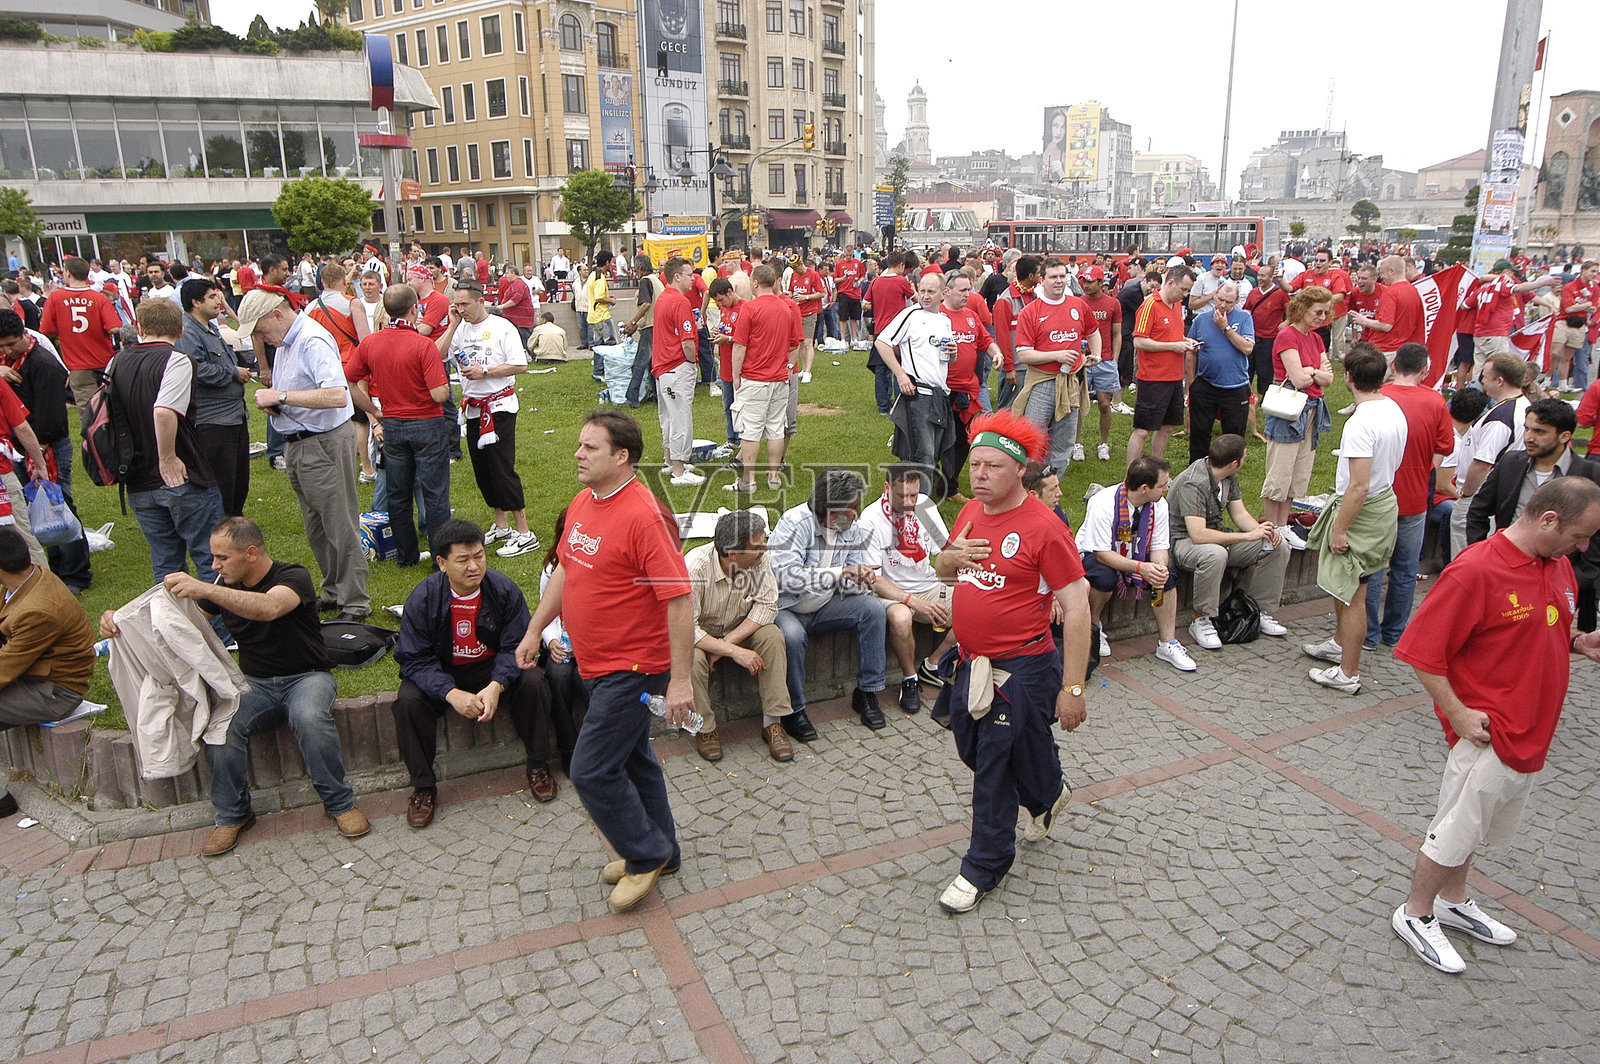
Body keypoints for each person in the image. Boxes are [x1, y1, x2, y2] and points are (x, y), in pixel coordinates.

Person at [1389, 477, 1600, 973]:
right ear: (1548, 520)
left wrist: (1576, 643)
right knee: (1455, 827)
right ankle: (1416, 912)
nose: (1586, 546)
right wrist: (1458, 713)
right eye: (1581, 535)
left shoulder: (1557, 563)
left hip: (1531, 731)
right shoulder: (1477, 570)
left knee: (1476, 826)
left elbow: (1544, 625)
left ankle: (1453, 900)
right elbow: (1421, 652)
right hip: (1491, 732)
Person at [514, 411, 693, 913]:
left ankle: (645, 853)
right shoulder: (583, 502)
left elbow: (679, 599)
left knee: (591, 769)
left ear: (622, 456)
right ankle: (666, 851)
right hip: (596, 663)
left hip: (636, 668)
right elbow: (566, 572)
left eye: (590, 448)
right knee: (633, 758)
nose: (578, 454)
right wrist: (533, 630)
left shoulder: (645, 516)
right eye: (579, 444)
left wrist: (680, 682)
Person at [110, 517, 370, 856]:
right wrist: (119, 621)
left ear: (250, 553)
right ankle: (233, 815)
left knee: (310, 719)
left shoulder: (293, 576)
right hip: (255, 686)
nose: (213, 565)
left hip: (308, 677)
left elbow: (269, 608)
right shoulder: (221, 585)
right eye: (213, 558)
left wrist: (204, 588)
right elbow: (177, 627)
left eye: (221, 558)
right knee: (219, 729)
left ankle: (339, 803)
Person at [931, 409, 1090, 913]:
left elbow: (1079, 605)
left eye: (992, 467)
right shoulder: (970, 512)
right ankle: (1048, 793)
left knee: (993, 766)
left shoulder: (1045, 528)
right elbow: (945, 565)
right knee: (974, 748)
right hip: (970, 662)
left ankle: (984, 864)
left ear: (1020, 470)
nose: (978, 475)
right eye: (974, 464)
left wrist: (1073, 688)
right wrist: (947, 562)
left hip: (1021, 668)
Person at [393, 520, 560, 826]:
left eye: (479, 556)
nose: (474, 566)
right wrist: (450, 693)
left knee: (534, 680)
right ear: (442, 563)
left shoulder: (503, 590)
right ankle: (423, 787)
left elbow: (517, 646)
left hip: (491, 668)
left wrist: (497, 684)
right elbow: (413, 659)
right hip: (445, 672)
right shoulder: (423, 598)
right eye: (463, 559)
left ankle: (538, 764)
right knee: (408, 701)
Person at [235, 288, 370, 621]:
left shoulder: (310, 339)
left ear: (277, 315)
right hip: (299, 442)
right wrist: (280, 404)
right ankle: (334, 591)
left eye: (260, 329)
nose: (259, 337)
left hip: (322, 443)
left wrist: (281, 395)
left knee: (340, 524)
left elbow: (338, 395)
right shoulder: (286, 342)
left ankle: (355, 603)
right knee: (317, 526)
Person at [1302, 346, 1409, 694]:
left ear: (1348, 377)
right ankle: (1339, 642)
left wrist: (1340, 529)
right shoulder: (1391, 407)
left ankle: (1348, 673)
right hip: (1383, 503)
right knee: (1347, 589)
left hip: (1363, 513)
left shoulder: (1360, 422)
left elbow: (1359, 486)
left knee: (1353, 596)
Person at [112, 297, 226, 585]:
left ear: (139, 328)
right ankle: (222, 631)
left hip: (138, 476)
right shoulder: (176, 359)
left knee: (165, 562)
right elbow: (164, 411)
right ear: (180, 330)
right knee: (211, 558)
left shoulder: (117, 361)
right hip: (181, 474)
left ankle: (173, 629)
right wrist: (168, 458)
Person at [770, 469, 890, 734]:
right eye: (853, 508)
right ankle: (794, 710)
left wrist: (859, 579)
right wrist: (840, 573)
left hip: (823, 605)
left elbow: (846, 574)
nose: (857, 513)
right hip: (786, 606)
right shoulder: (795, 524)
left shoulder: (849, 529)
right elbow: (787, 578)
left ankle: (867, 693)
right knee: (791, 637)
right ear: (832, 513)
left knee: (872, 610)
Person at [1466, 398, 1600, 631]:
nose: (1528, 437)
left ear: (1565, 436)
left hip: (1563, 578)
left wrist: (1579, 577)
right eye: (1527, 429)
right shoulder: (1511, 463)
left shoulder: (1590, 474)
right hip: (1508, 575)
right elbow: (1478, 510)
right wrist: (1483, 555)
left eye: (1539, 431)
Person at [345, 284, 452, 568]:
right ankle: (440, 558)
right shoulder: (423, 344)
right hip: (427, 423)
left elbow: (352, 380)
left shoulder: (370, 343)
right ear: (414, 308)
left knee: (398, 493)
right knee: (435, 494)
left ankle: (405, 555)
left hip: (392, 423)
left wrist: (373, 410)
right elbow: (439, 393)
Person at [435, 283, 538, 557]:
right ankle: (501, 524)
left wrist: (486, 371)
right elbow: (437, 354)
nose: (460, 309)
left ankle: (524, 531)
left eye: (465, 304)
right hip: (473, 408)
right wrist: (452, 324)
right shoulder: (460, 329)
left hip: (499, 406)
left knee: (502, 468)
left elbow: (520, 365)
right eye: (456, 304)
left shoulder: (503, 327)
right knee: (483, 471)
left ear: (481, 301)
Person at [684, 509, 795, 763]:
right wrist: (733, 652)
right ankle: (705, 728)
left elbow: (767, 605)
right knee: (691, 658)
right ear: (733, 554)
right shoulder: (695, 568)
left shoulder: (759, 559)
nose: (764, 550)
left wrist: (727, 643)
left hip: (737, 629)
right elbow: (688, 630)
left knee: (772, 636)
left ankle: (773, 723)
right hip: (701, 636)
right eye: (757, 546)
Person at [1365, 342, 1456, 648]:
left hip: (1378, 497)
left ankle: (1368, 633)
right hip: (1415, 498)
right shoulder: (1436, 402)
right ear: (1425, 370)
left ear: (1394, 366)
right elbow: (1444, 449)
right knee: (1405, 570)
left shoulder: (1378, 398)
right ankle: (1395, 633)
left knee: (1373, 568)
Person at [1168, 433, 1291, 649]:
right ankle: (1201, 619)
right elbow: (1198, 535)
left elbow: (1239, 514)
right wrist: (1246, 536)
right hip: (1182, 540)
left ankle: (1257, 611)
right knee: (1215, 554)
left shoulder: (1228, 476)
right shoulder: (1194, 482)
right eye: (1244, 456)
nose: (1245, 460)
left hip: (1215, 535)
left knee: (1277, 547)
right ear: (1235, 462)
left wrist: (1262, 532)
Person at [855, 463, 959, 713]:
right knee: (901, 618)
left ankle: (933, 664)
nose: (911, 502)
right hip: (889, 593)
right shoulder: (870, 519)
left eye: (914, 494)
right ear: (887, 488)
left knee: (978, 602)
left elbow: (945, 551)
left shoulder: (925, 506)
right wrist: (912, 601)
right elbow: (873, 579)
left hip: (928, 584)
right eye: (903, 496)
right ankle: (910, 679)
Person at [1078, 458, 1196, 671]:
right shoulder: (1103, 503)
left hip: (1136, 552)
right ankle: (1095, 628)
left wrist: (1158, 568)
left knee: (1165, 578)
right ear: (1144, 488)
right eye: (1162, 485)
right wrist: (1141, 568)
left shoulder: (1159, 505)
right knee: (1103, 578)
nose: (1167, 489)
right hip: (1097, 553)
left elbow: (1160, 546)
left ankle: (1167, 642)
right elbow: (1102, 553)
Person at [0, 528, 94, 755]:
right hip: (31, 675)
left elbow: (4, 669)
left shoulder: (37, 610)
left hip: (54, 692)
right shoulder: (27, 577)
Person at [1261, 286, 1337, 545]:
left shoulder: (1316, 339)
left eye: (1326, 312)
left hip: (1312, 410)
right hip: (1290, 411)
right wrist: (1315, 373)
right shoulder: (1288, 335)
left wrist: (1312, 371)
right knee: (1280, 471)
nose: (1321, 317)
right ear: (1303, 309)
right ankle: (1272, 525)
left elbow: (1327, 377)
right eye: (1318, 311)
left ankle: (1284, 525)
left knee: (1298, 472)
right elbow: (1297, 378)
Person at [1011, 258, 1100, 477]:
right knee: (1034, 436)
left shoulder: (1078, 305)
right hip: (1042, 381)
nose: (1059, 281)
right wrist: (1056, 355)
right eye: (1053, 277)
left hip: (1071, 381)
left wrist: (1096, 354)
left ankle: (1053, 483)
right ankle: (1030, 484)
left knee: (1064, 438)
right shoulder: (1031, 312)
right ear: (1042, 281)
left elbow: (1093, 331)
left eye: (1062, 276)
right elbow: (1023, 354)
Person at [176, 278, 255, 519]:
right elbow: (196, 369)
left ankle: (235, 523)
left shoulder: (210, 328)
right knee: (223, 482)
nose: (218, 301)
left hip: (234, 416)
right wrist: (233, 372)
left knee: (238, 480)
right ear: (195, 302)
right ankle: (224, 528)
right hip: (214, 421)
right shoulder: (188, 332)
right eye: (211, 297)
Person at [728, 265, 803, 493]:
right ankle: (773, 476)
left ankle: (748, 481)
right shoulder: (786, 307)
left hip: (755, 378)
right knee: (775, 429)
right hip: (779, 378)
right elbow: (795, 343)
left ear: (755, 283)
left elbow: (739, 346)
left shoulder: (749, 308)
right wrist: (789, 368)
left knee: (750, 430)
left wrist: (735, 375)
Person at [1449, 353, 1529, 559]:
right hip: (1502, 493)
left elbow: (1483, 463)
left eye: (1484, 376)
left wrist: (1466, 493)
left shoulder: (1500, 419)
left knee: (1465, 556)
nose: (1481, 381)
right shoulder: (1524, 406)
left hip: (1480, 495)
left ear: (1500, 381)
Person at [38, 256, 121, 432]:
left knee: (88, 411)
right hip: (104, 361)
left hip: (78, 364)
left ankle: (94, 449)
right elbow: (114, 327)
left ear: (67, 273)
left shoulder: (55, 298)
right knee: (111, 406)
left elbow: (46, 330)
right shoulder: (98, 298)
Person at [1129, 265, 1198, 465]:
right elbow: (1139, 341)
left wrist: (1185, 341)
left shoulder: (1176, 305)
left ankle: (1156, 469)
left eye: (1188, 291)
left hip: (1175, 376)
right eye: (1183, 289)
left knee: (1167, 427)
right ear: (1170, 283)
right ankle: (1131, 475)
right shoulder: (1150, 305)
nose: (1185, 295)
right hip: (1153, 378)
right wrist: (1173, 346)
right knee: (1142, 430)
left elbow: (1169, 334)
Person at [1184, 282, 1255, 464]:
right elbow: (1191, 351)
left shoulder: (1244, 318)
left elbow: (1247, 348)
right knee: (1199, 433)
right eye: (1221, 299)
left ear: (1237, 301)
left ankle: (1230, 472)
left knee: (1233, 436)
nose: (1223, 305)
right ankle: (1197, 469)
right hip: (1205, 384)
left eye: (1229, 302)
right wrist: (1191, 382)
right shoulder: (1200, 320)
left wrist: (1225, 328)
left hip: (1235, 386)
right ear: (1215, 295)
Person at [651, 257, 704, 486]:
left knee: (669, 416)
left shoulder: (663, 298)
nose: (693, 279)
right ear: (677, 276)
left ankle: (670, 460)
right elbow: (687, 341)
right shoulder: (680, 301)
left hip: (663, 367)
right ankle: (679, 470)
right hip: (676, 365)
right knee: (681, 416)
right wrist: (692, 363)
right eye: (689, 274)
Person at [1077, 265, 1125, 462]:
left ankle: (1103, 444)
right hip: (1083, 359)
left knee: (1105, 404)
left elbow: (1117, 333)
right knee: (1078, 404)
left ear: (1100, 282)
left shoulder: (1113, 304)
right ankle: (1076, 443)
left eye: (1090, 281)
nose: (1086, 285)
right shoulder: (1078, 302)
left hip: (1104, 360)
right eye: (1084, 281)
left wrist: (1114, 357)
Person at [863, 251, 917, 414]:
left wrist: (879, 306)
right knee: (898, 367)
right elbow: (916, 300)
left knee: (881, 369)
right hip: (898, 330)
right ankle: (898, 403)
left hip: (880, 329)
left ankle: (883, 405)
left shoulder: (876, 282)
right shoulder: (902, 281)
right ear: (901, 264)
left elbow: (865, 304)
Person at [1552, 260, 1598, 391]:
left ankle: (1563, 385)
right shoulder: (1570, 286)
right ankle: (1549, 380)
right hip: (1564, 322)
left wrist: (1580, 306)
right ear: (1583, 270)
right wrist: (1586, 306)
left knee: (1569, 357)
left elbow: (1594, 308)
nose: (1594, 274)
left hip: (1580, 325)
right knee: (1555, 353)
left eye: (1596, 272)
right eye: (1592, 271)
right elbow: (1568, 308)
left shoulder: (1594, 289)